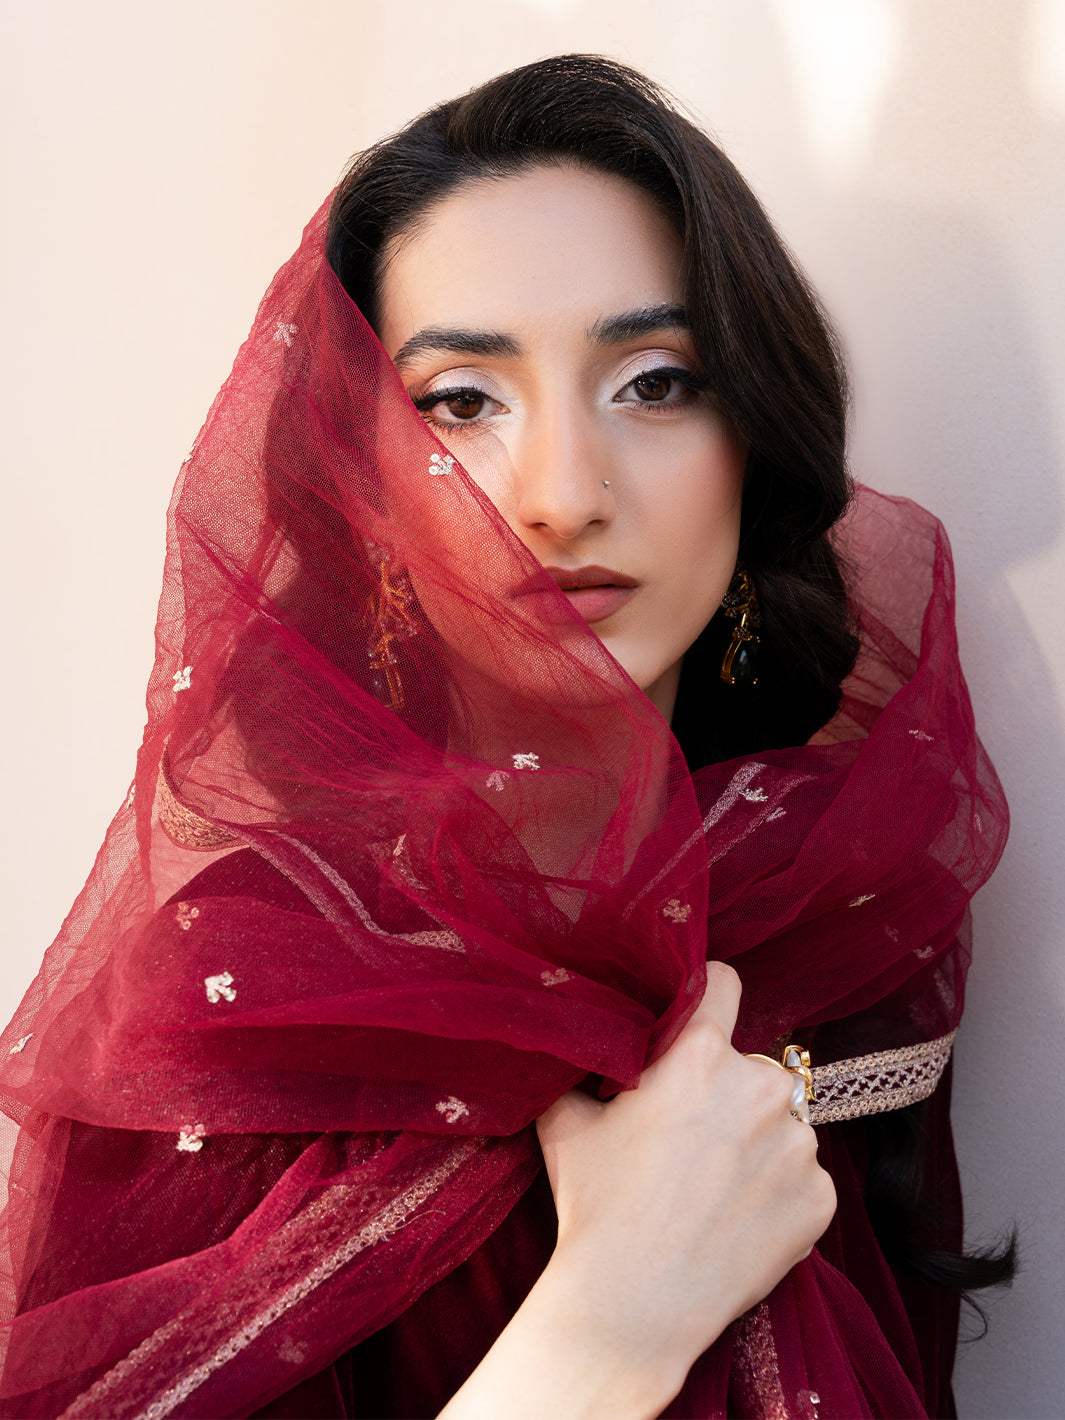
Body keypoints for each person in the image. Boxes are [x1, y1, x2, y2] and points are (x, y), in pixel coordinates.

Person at [0, 55, 1010, 1419]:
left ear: (753, 441)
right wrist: (608, 1327)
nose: (563, 494)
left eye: (655, 382)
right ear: (360, 488)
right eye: (460, 403)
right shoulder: (252, 985)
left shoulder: (830, 918)